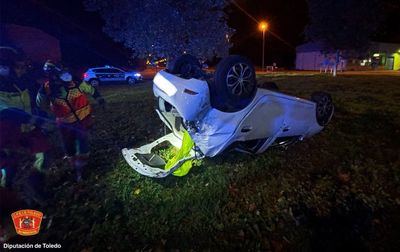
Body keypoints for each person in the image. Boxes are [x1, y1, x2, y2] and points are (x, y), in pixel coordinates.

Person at [36, 60, 105, 181]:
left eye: (64, 71)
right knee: (68, 146)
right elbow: (40, 104)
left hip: (83, 120)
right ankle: (73, 164)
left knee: (82, 144)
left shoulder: (76, 82)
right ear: (52, 75)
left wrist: (100, 99)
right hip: (64, 123)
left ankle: (81, 170)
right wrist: (43, 93)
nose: (65, 74)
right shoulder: (47, 88)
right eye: (61, 72)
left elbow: (91, 90)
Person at [0, 47, 50, 190]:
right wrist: (35, 120)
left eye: (24, 67)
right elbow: (6, 112)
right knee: (8, 168)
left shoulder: (20, 82)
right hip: (4, 134)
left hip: (25, 129)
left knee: (45, 154)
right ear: (4, 68)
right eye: (18, 67)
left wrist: (39, 115)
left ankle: (36, 185)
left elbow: (28, 104)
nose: (22, 70)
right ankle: (5, 195)